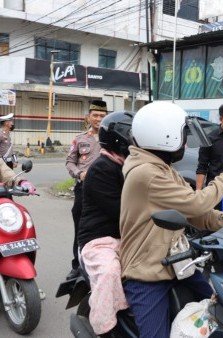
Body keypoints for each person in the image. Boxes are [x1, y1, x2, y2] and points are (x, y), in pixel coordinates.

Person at [119, 101, 223, 337]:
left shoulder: (163, 168)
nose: (185, 142)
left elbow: (195, 213)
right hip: (147, 272)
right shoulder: (147, 173)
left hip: (177, 264)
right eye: (182, 135)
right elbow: (197, 203)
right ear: (163, 136)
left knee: (220, 311)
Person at [77, 111, 134, 336]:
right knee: (110, 271)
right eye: (131, 135)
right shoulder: (102, 168)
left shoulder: (128, 165)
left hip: (125, 236)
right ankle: (104, 328)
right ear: (119, 139)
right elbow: (122, 211)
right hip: (99, 240)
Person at [66, 100, 108, 280]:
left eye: (102, 116)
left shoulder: (111, 137)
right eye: (95, 115)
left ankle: (101, 263)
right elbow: (69, 161)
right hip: (83, 190)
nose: (98, 119)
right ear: (88, 117)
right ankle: (77, 265)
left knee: (104, 228)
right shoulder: (80, 138)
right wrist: (79, 174)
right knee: (81, 228)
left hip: (106, 190)